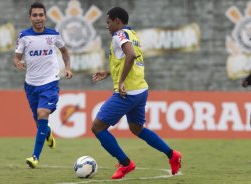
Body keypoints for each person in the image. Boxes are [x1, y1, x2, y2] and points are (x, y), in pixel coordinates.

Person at [91, 7, 182, 179]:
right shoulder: (133, 35)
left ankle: (126, 164)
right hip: (140, 90)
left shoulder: (119, 36)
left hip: (127, 93)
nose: (107, 26)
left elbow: (130, 56)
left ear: (117, 21)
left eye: (108, 22)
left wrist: (121, 81)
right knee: (136, 128)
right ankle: (172, 155)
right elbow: (129, 59)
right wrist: (109, 72)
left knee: (97, 127)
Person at [13, 2, 73, 169]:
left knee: (42, 113)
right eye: (35, 15)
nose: (38, 18)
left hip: (50, 82)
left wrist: (67, 68)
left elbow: (65, 52)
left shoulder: (54, 35)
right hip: (31, 85)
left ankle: (34, 157)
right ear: (30, 17)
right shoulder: (24, 36)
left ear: (45, 17)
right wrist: (17, 63)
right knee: (38, 120)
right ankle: (47, 133)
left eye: (41, 15)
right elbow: (16, 57)